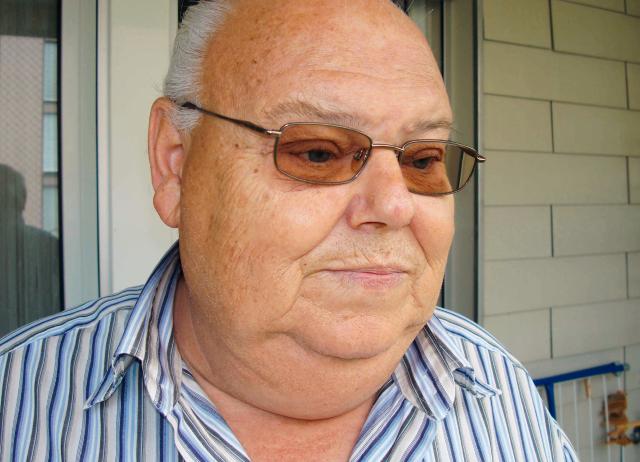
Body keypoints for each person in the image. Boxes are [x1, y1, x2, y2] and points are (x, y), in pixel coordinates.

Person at [0, 0, 577, 460]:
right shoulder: (16, 404)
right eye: (318, 152)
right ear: (175, 164)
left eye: (424, 158)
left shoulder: (496, 382)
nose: (395, 205)